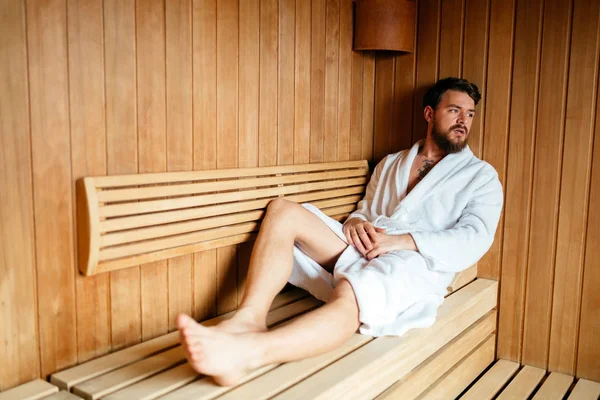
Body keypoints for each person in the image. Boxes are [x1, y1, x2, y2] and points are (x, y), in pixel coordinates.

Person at [176, 77, 504, 386]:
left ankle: (249, 354)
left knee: (354, 292)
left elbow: (474, 239)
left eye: (470, 113)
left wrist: (403, 241)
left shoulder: (481, 177)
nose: (464, 120)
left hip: (414, 264)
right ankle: (249, 319)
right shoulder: (392, 163)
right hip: (366, 245)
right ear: (430, 114)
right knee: (283, 211)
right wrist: (355, 223)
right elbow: (366, 210)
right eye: (454, 110)